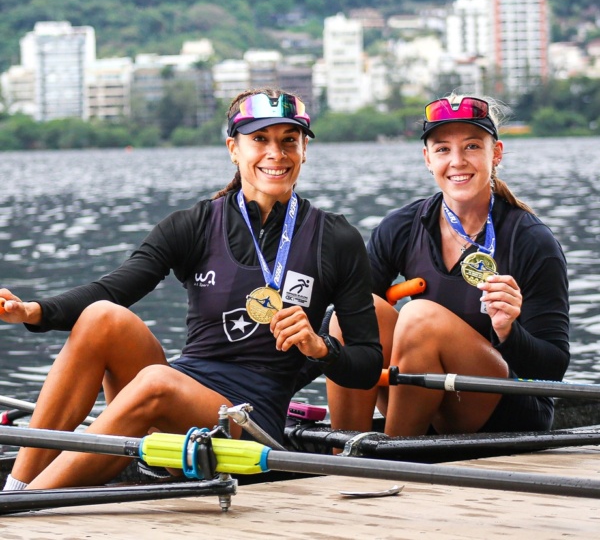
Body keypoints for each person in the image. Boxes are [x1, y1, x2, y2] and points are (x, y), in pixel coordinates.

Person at [0, 88, 382, 490]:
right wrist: (34, 311)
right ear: (233, 148)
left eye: (290, 140)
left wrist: (321, 349)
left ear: (304, 149)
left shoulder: (336, 238)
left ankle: (24, 506)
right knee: (102, 317)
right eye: (260, 140)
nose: (277, 153)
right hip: (184, 394)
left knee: (156, 382)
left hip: (248, 421)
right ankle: (18, 486)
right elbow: (113, 288)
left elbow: (368, 363)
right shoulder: (195, 224)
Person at [326, 93, 570, 437]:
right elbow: (346, 323)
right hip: (424, 397)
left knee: (419, 316)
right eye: (443, 149)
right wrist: (305, 350)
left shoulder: (532, 241)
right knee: (352, 313)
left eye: (472, 146)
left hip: (509, 412)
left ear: (495, 154)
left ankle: (393, 457)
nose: (457, 161)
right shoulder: (401, 226)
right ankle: (346, 457)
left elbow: (553, 369)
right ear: (427, 158)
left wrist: (508, 332)